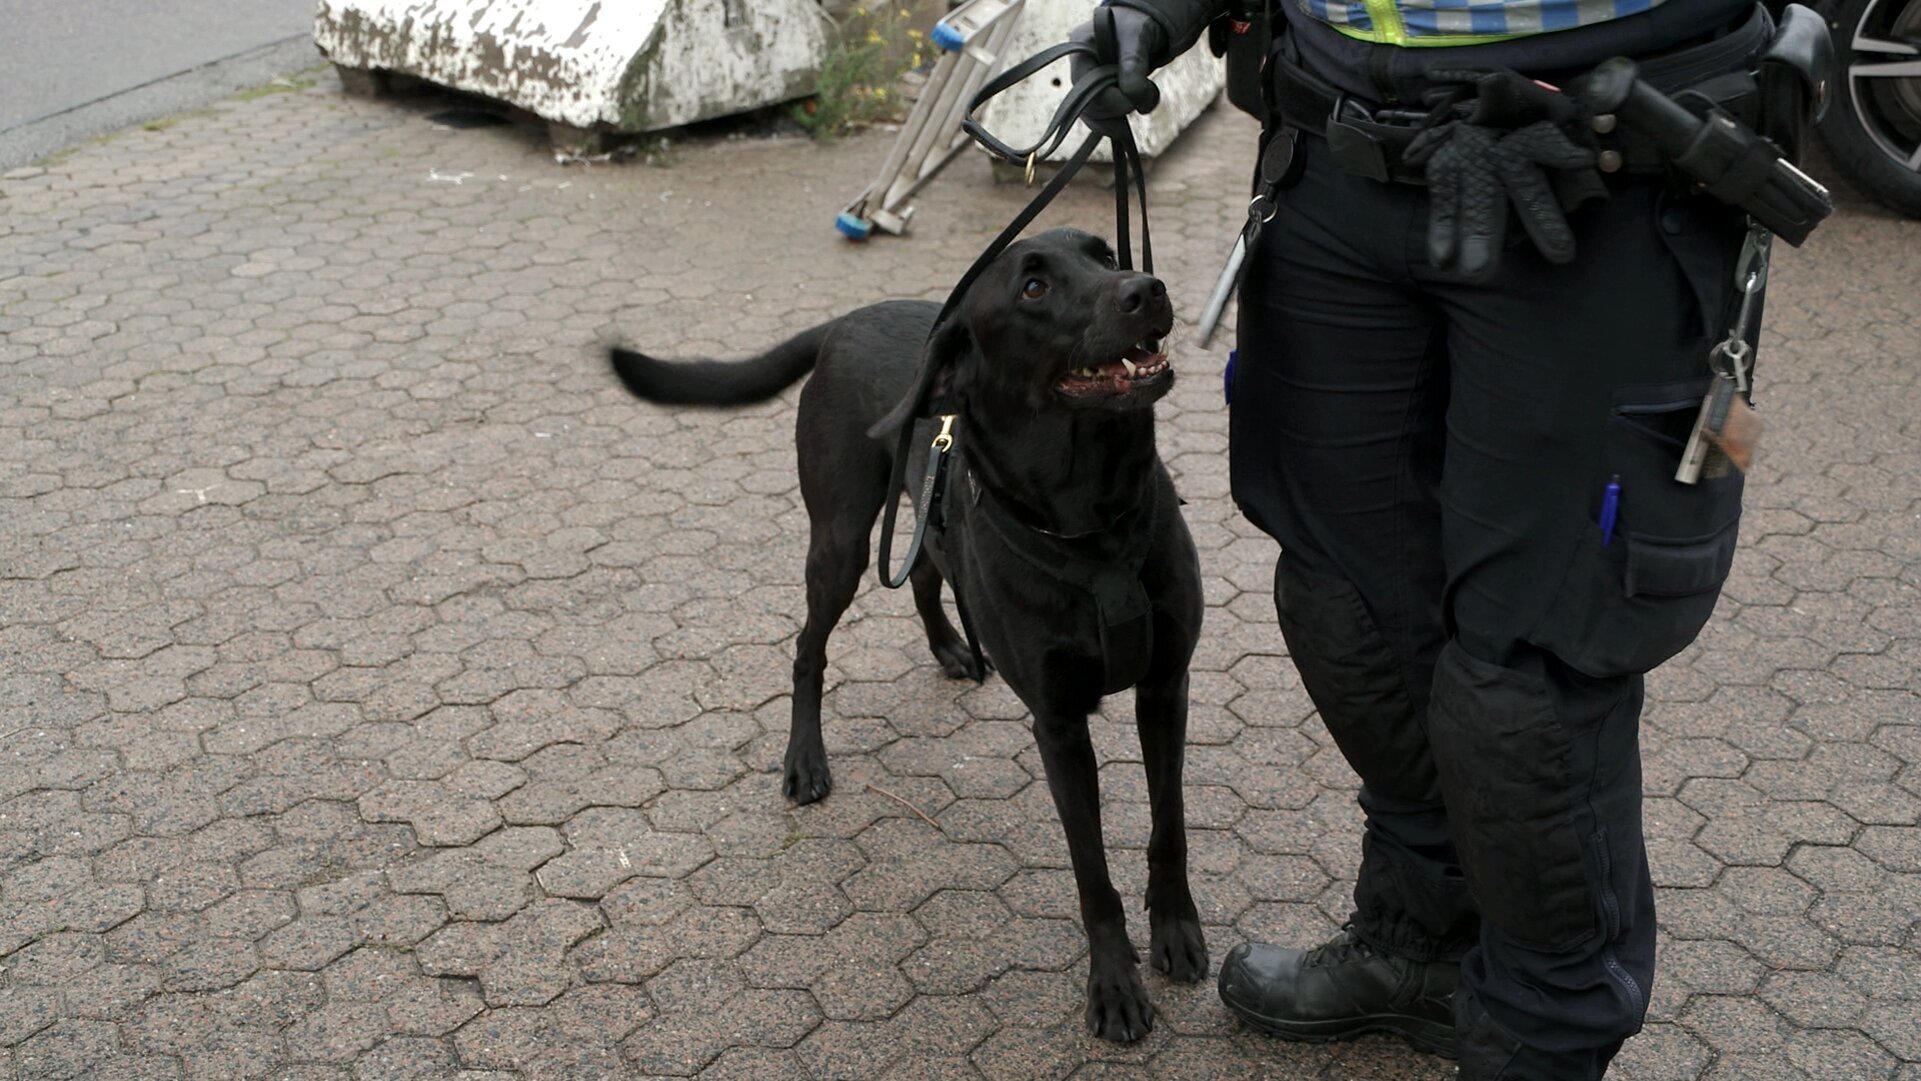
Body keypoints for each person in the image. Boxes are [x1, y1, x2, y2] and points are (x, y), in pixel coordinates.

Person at [1067, 0, 1824, 1075]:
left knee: (1526, 679)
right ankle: (1420, 936)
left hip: (1605, 153)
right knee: (1344, 599)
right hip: (1335, 140)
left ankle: (1540, 1033)